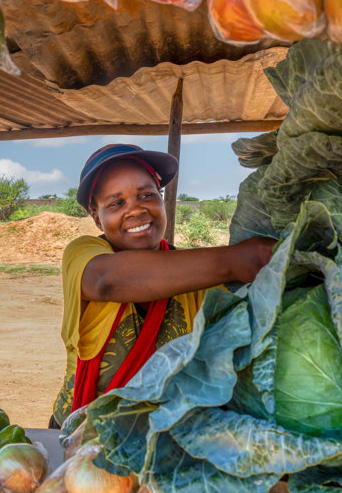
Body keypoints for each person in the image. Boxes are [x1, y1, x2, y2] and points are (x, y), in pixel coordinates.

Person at [50, 144, 276, 428]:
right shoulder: (83, 254)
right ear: (96, 216)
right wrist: (236, 261)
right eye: (116, 203)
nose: (136, 210)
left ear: (162, 199)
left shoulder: (196, 277)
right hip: (78, 432)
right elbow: (106, 281)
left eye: (146, 195)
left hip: (153, 441)